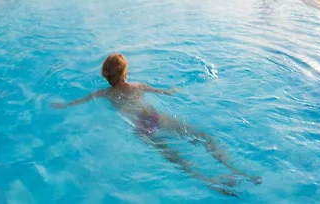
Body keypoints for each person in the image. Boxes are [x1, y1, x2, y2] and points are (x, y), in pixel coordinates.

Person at [51, 53, 261, 196]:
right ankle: (239, 171)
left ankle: (211, 183)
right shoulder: (137, 86)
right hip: (154, 117)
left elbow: (81, 101)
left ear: (107, 76)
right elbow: (165, 92)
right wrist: (173, 90)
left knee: (179, 160)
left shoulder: (105, 93)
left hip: (141, 129)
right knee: (203, 137)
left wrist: (63, 105)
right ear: (125, 73)